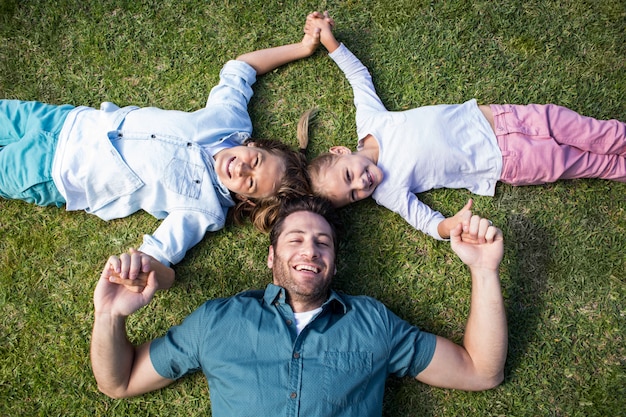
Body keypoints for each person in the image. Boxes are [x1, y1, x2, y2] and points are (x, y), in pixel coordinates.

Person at [91, 195, 507, 416]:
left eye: (322, 242)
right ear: (271, 257)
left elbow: (481, 372)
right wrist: (109, 315)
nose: (310, 249)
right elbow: (119, 383)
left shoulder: (372, 323)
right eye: (295, 240)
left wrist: (484, 271)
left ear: (334, 263)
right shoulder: (217, 321)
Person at [0, 23, 318, 289]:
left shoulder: (203, 209)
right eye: (256, 161)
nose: (243, 168)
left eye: (249, 183)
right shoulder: (229, 122)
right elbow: (241, 69)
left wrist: (140, 270)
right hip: (66, 121)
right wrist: (302, 48)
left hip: (57, 171)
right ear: (256, 145)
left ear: (245, 200)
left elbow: (160, 252)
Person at [304, 11, 626, 241]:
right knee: (587, 162)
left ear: (341, 150)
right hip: (508, 161)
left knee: (593, 132)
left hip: (503, 117)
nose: (362, 184)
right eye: (354, 195)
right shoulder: (388, 192)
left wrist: (329, 40)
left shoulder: (370, 121)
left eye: (349, 176)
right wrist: (450, 226)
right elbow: (425, 222)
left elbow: (358, 78)